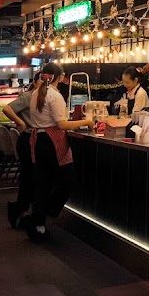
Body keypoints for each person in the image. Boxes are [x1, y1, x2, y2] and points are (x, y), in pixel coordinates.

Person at [25, 63, 93, 242]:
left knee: (43, 184)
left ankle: (38, 225)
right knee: (68, 181)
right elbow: (62, 124)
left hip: (38, 140)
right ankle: (45, 212)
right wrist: (86, 122)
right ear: (60, 77)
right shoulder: (55, 96)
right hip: (52, 142)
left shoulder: (35, 94)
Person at [2, 81, 36, 230]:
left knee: (30, 177)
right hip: (27, 139)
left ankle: (22, 210)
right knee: (28, 176)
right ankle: (20, 210)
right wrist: (21, 123)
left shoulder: (42, 98)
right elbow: (7, 108)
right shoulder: (28, 96)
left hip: (33, 140)